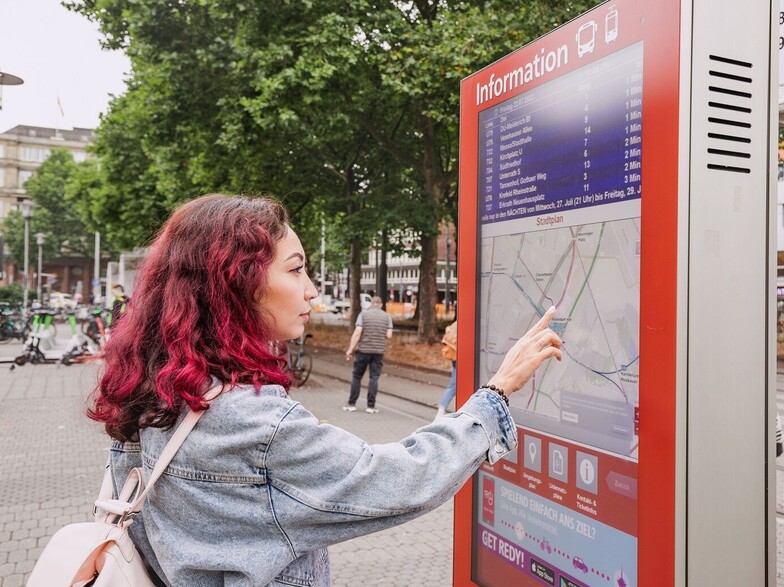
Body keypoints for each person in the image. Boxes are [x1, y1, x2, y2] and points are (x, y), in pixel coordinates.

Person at [87, 194, 563, 586]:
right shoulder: (256, 425)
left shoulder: (156, 393)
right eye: (295, 270)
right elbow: (397, 480)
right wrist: (496, 393)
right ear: (236, 285)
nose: (312, 290)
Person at [343, 296, 393, 413]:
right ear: (381, 304)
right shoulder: (387, 316)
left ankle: (352, 404)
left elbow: (358, 332)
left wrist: (350, 349)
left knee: (356, 377)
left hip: (363, 351)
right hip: (378, 352)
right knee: (374, 378)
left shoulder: (363, 315)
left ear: (371, 304)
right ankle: (371, 406)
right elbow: (389, 335)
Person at [436, 320, 458, 418]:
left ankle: (442, 408)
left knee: (453, 384)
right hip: (459, 355)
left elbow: (448, 329)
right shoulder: (468, 321)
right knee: (454, 385)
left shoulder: (457, 322)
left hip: (454, 354)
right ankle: (441, 408)